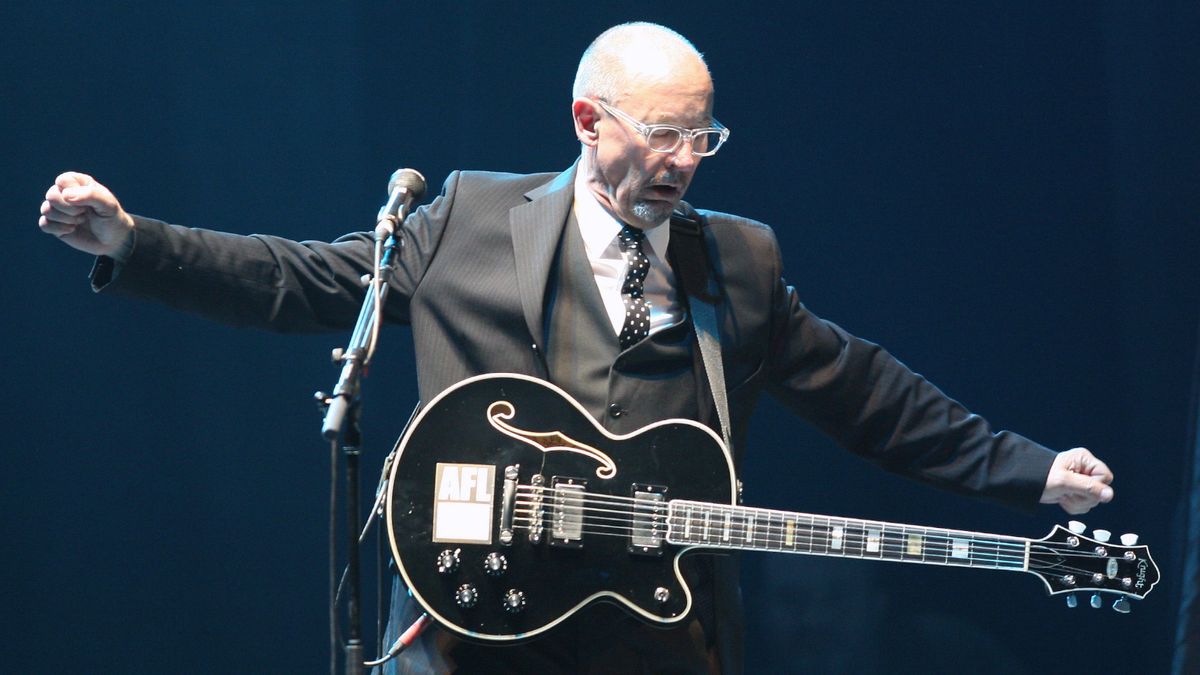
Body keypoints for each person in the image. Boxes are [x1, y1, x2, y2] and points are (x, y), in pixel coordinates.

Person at [38, 21, 1113, 675]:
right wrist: (138, 242)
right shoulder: (463, 222)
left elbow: (865, 392)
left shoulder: (735, 263)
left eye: (704, 135)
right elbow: (304, 281)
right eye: (663, 133)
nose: (685, 160)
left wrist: (1025, 468)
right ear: (588, 119)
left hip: (655, 640)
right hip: (473, 632)